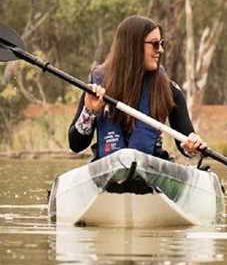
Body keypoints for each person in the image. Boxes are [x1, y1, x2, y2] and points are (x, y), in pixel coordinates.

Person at [67, 15, 207, 161]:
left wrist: (191, 146)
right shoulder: (97, 89)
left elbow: (185, 143)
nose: (160, 50)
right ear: (133, 46)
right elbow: (75, 145)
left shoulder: (169, 90)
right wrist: (89, 112)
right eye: (154, 44)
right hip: (108, 168)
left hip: (152, 169)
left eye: (161, 43)